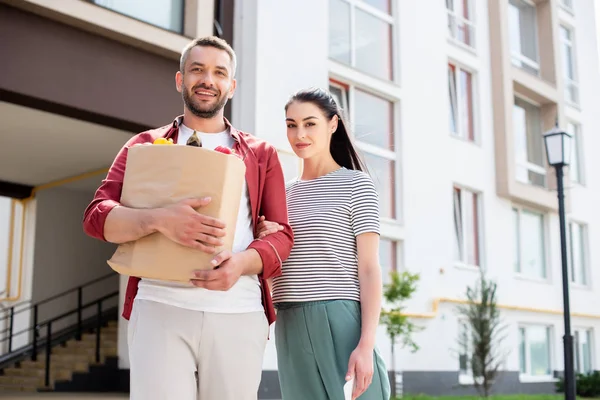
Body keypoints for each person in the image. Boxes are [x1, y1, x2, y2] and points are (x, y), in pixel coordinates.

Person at [82, 36, 293, 400]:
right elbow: (97, 217)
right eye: (197, 70)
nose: (207, 79)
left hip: (238, 311)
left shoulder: (261, 154)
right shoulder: (144, 145)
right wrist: (159, 219)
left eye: (219, 72)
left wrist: (241, 263)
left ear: (231, 86)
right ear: (181, 80)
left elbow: (281, 236)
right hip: (159, 307)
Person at [257, 88, 391, 400]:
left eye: (310, 123)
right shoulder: (280, 194)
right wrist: (267, 237)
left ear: (333, 124)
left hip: (340, 317)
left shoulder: (357, 184)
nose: (299, 134)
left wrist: (366, 343)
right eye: (291, 125)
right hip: (289, 319)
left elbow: (370, 269)